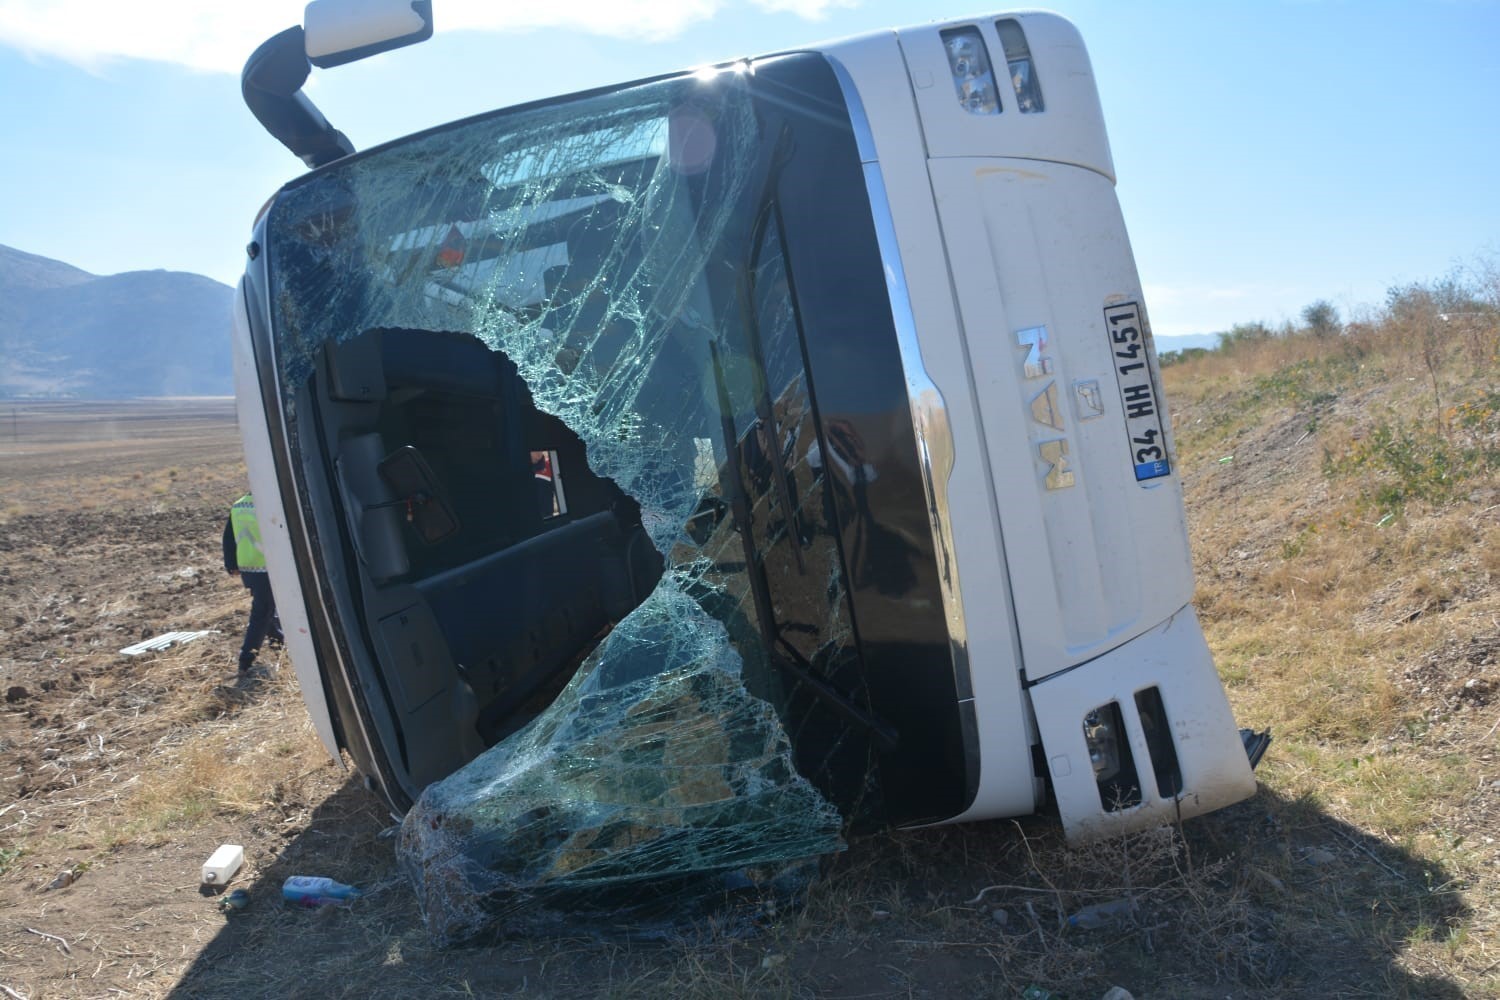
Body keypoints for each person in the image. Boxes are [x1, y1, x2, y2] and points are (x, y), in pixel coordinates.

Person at [222, 493, 282, 673]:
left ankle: (279, 645)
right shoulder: (269, 504)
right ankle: (246, 659)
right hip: (267, 566)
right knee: (262, 612)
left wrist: (231, 564)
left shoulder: (238, 505)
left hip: (249, 567)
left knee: (267, 608)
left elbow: (228, 537)